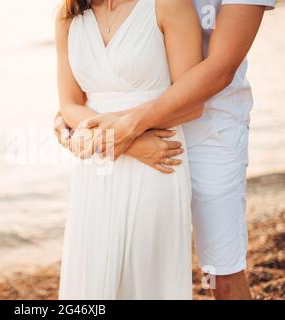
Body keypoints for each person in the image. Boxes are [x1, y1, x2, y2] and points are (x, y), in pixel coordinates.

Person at [54, 0, 276, 299]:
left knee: (220, 272)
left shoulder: (168, 5)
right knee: (100, 276)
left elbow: (221, 68)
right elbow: (73, 99)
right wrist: (99, 129)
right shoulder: (69, 16)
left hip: (211, 130)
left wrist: (123, 129)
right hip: (117, 148)